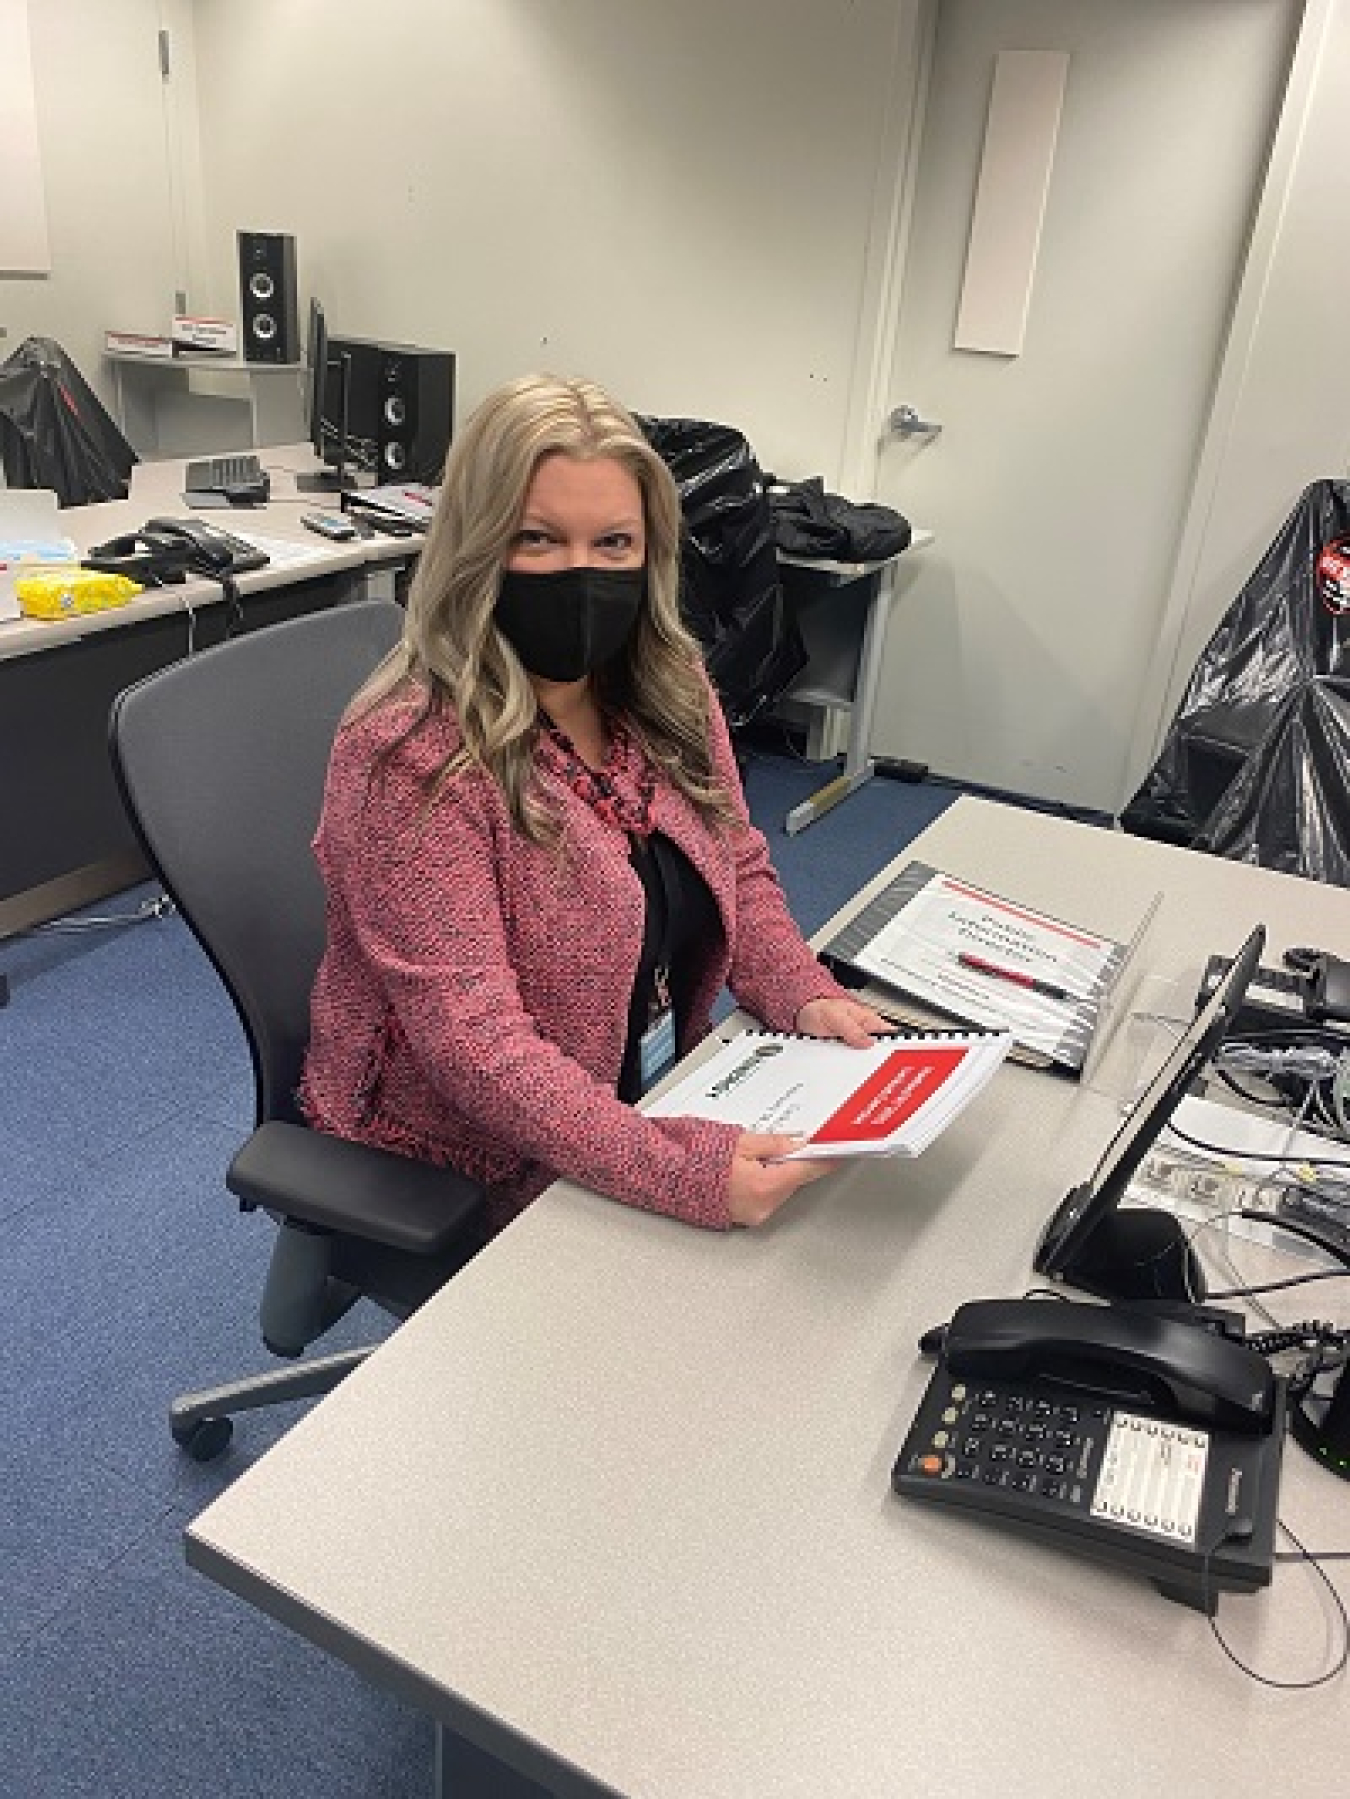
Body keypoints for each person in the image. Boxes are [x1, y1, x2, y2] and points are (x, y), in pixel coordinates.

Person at [300, 373, 890, 1240]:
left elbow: (736, 859)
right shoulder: (411, 753)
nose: (581, 573)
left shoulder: (668, 685)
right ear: (475, 545)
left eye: (614, 542)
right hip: (462, 1150)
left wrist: (800, 991)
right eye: (536, 539)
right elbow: (475, 1047)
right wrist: (676, 1167)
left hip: (638, 1090)